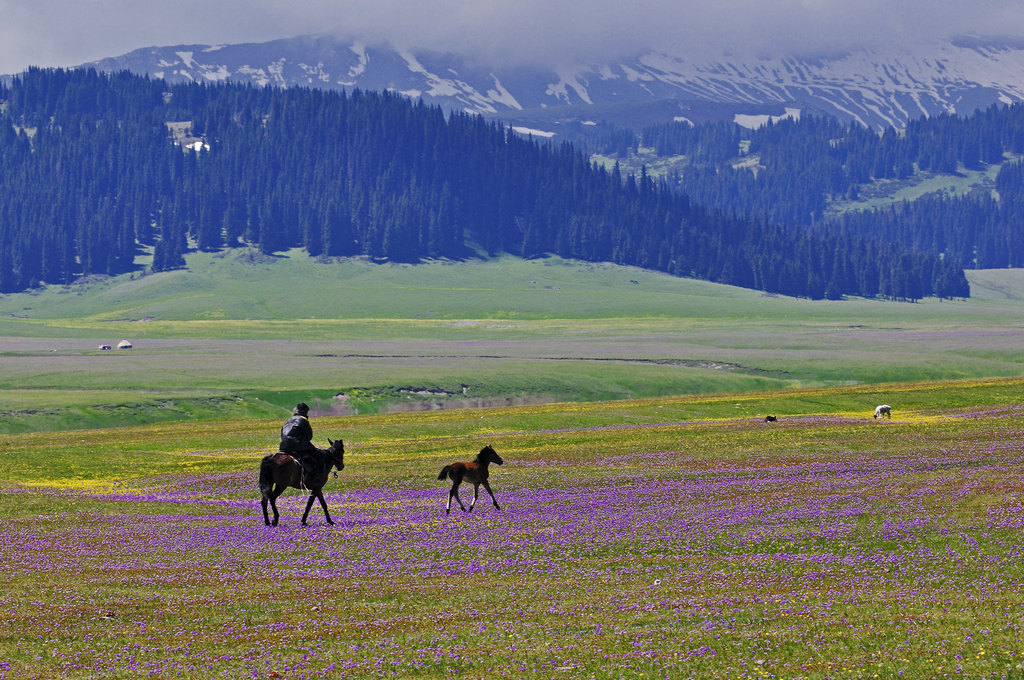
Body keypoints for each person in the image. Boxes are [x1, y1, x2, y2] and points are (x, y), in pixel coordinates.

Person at [280, 402, 319, 483]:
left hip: (284, 445)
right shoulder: (303, 420)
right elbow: (309, 436)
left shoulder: (288, 420)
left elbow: (282, 433)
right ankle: (313, 478)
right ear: (305, 411)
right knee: (316, 456)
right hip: (298, 445)